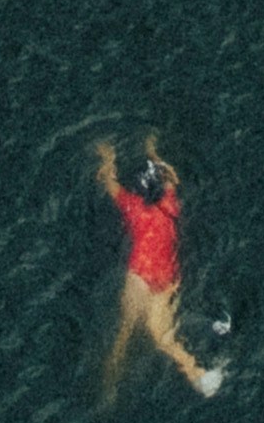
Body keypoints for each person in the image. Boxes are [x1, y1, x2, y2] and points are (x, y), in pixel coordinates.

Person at [95, 137, 225, 402]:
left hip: (140, 276)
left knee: (124, 333)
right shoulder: (169, 204)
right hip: (164, 281)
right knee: (163, 338)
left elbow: (109, 184)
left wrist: (107, 159)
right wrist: (154, 151)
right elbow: (171, 179)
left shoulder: (133, 209)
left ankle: (108, 389)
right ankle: (199, 375)